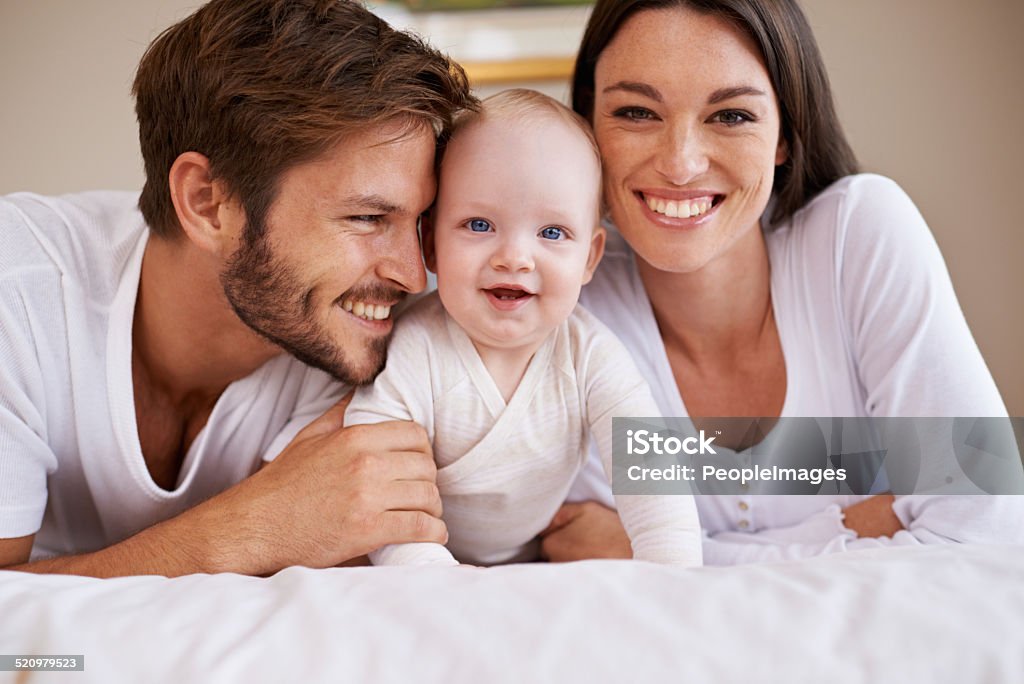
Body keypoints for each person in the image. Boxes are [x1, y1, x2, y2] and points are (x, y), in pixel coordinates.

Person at [0, 0, 476, 576]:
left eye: (420, 221)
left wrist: (611, 512)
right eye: (367, 219)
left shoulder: (379, 335)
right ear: (208, 202)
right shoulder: (19, 292)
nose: (413, 274)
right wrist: (247, 529)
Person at [539, 0, 1024, 565]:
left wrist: (664, 551)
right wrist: (861, 525)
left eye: (731, 115)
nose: (680, 163)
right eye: (637, 112)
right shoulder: (561, 302)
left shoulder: (857, 234)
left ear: (785, 136)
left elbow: (989, 530)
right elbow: (548, 545)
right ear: (589, 129)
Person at [344, 90, 703, 567]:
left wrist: (677, 578)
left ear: (589, 258)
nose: (513, 257)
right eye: (478, 224)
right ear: (430, 243)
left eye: (551, 233)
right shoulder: (414, 349)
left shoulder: (590, 354)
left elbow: (655, 481)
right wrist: (434, 582)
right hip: (430, 566)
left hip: (533, 560)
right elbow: (384, 497)